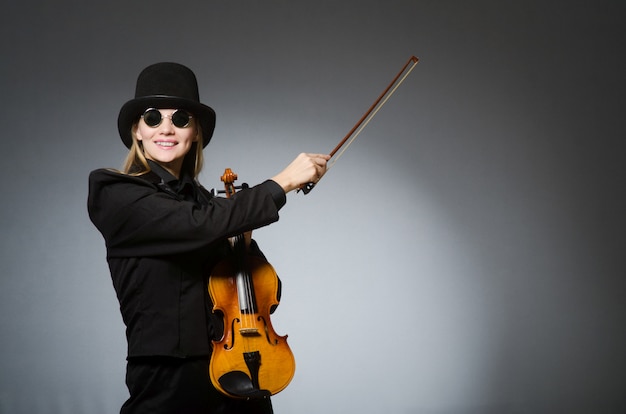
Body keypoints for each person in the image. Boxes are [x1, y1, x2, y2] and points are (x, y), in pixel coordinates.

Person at [87, 62, 329, 414]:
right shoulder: (116, 193)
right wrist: (282, 183)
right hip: (169, 377)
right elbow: (193, 225)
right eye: (153, 118)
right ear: (137, 130)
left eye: (181, 119)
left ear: (196, 131)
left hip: (241, 365)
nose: (166, 128)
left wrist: (243, 243)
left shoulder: (212, 206)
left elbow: (266, 287)